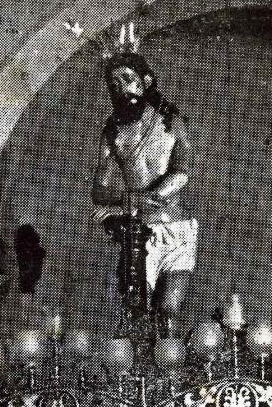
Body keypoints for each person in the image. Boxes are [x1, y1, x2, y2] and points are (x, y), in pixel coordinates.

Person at [90, 52, 197, 338]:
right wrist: (126, 203)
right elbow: (99, 189)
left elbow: (182, 173)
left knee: (168, 313)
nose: (121, 89)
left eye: (128, 79)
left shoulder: (171, 122)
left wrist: (133, 201)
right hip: (140, 234)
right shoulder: (112, 133)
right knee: (135, 310)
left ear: (146, 81)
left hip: (177, 231)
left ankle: (169, 365)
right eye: (114, 84)